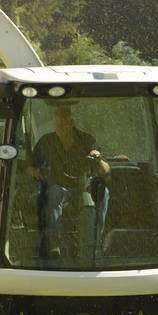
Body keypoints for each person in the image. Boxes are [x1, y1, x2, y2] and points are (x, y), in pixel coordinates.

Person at [29, 106, 111, 261]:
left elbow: (106, 170)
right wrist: (36, 173)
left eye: (63, 124)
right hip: (57, 187)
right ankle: (54, 245)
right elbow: (29, 167)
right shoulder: (46, 142)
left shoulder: (87, 140)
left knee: (102, 193)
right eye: (57, 124)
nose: (60, 127)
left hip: (83, 187)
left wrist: (98, 159)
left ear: (71, 123)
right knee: (54, 193)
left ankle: (94, 245)